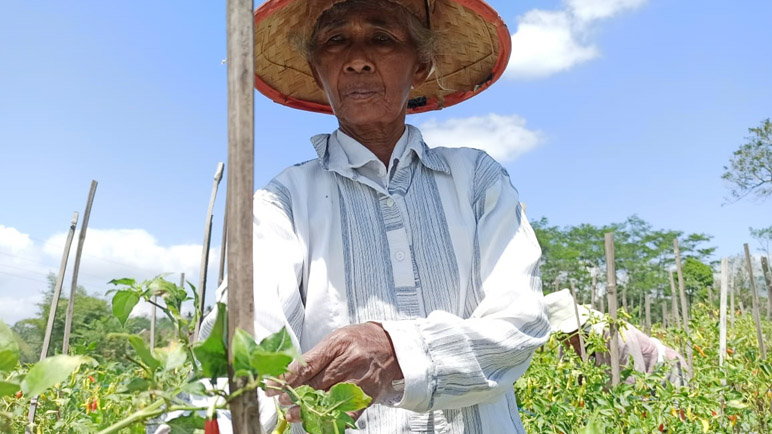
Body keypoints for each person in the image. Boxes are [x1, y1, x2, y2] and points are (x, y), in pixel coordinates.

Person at [201, 0, 550, 432]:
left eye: (382, 39)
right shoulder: (283, 202)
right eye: (336, 40)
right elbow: (251, 340)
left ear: (420, 65)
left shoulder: (476, 180)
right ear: (316, 69)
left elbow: (520, 325)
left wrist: (396, 350)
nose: (358, 60)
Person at [544, 289, 688, 386]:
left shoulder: (616, 337)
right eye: (560, 336)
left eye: (567, 334)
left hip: (667, 371)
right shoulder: (566, 346)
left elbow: (633, 384)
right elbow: (574, 383)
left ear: (580, 328)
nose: (565, 341)